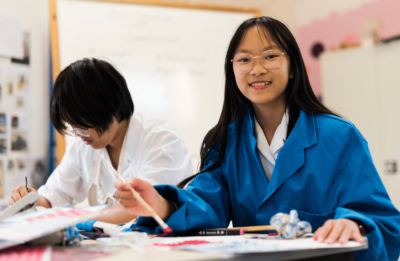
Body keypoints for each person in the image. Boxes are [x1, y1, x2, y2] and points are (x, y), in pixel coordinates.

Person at [115, 17, 400, 260]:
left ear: (293, 67)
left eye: (271, 56)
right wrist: (161, 204)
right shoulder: (224, 142)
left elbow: (385, 222)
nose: (257, 69)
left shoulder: (340, 137)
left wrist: (355, 225)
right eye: (244, 59)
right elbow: (205, 205)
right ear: (233, 70)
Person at [9, 58, 193, 224]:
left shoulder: (161, 139)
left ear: (111, 108)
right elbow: (53, 197)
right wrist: (29, 200)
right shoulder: (84, 145)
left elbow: (140, 208)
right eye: (72, 126)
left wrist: (73, 216)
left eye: (82, 124)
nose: (79, 134)